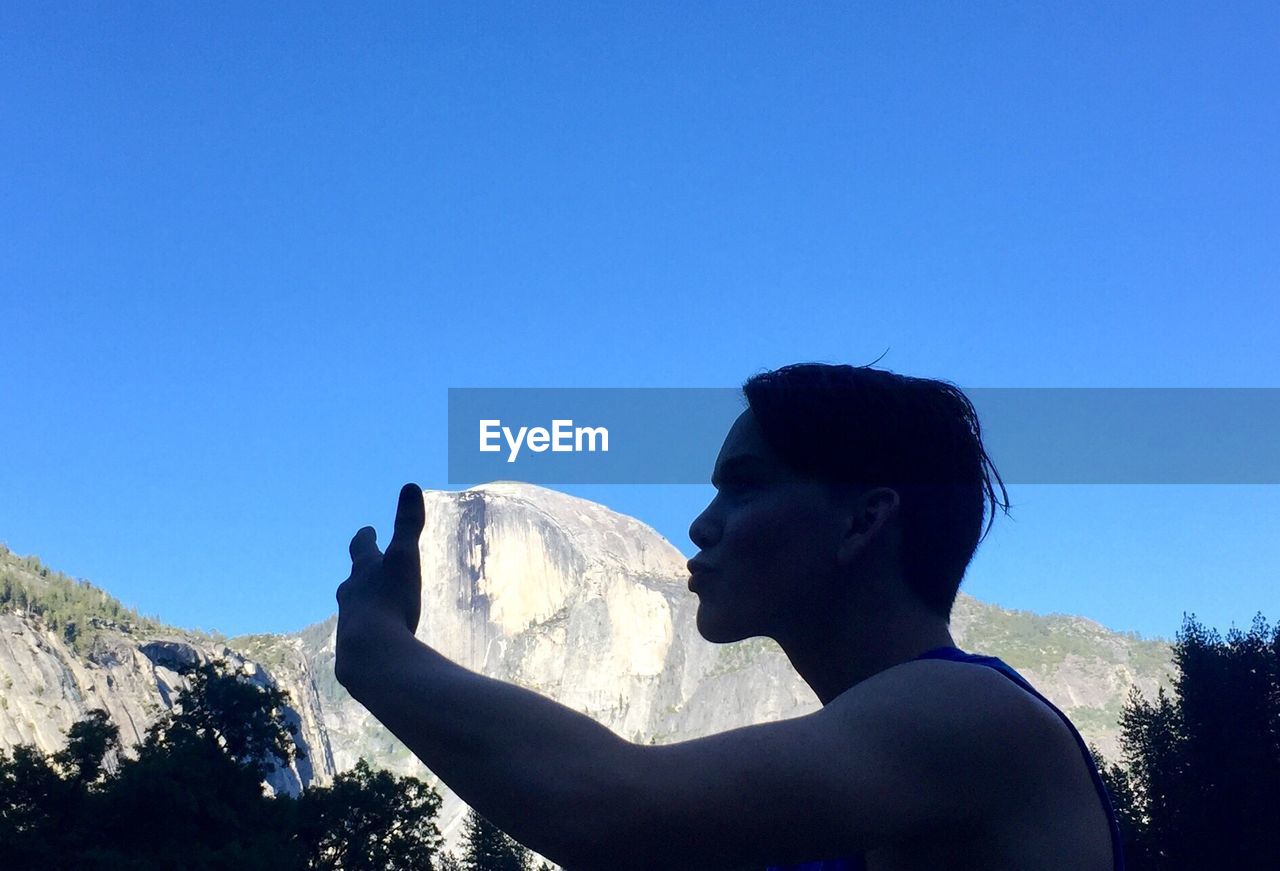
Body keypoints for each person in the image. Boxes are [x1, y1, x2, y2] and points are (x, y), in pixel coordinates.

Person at [335, 362, 1125, 870]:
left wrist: (381, 653)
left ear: (860, 521)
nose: (702, 525)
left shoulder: (971, 714)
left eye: (744, 485)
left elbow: (608, 807)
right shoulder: (880, 754)